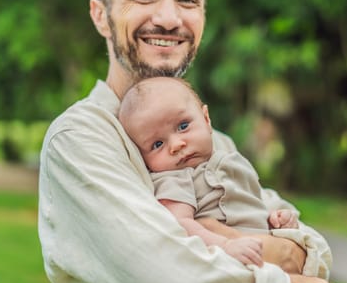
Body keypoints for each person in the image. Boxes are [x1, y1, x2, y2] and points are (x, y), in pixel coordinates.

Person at [37, 0, 340, 283]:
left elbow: (310, 246)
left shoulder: (217, 142)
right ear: (101, 15)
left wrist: (228, 238)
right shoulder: (78, 139)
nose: (168, 19)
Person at [118, 77, 302, 267]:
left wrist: (272, 218)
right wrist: (226, 245)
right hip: (234, 258)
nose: (176, 145)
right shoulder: (175, 179)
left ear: (206, 119)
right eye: (157, 144)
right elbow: (180, 224)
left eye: (183, 126)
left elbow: (248, 207)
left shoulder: (229, 159)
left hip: (263, 250)